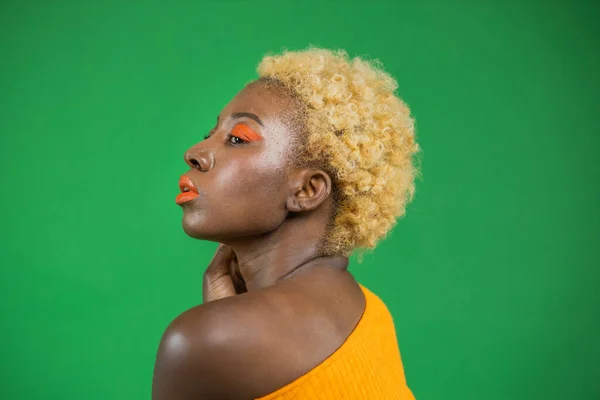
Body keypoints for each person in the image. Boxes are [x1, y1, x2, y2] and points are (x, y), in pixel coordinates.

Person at [152, 47, 420, 400]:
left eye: (238, 139)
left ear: (308, 190)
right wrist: (226, 320)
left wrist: (220, 330)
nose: (195, 152)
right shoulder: (370, 311)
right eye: (210, 133)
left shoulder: (198, 340)